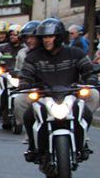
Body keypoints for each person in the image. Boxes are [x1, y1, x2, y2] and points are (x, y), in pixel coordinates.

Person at [18, 18, 99, 160]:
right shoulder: (33, 57)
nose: (46, 40)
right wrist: (24, 82)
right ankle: (32, 145)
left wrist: (91, 80)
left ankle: (82, 140)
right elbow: (26, 74)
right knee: (27, 113)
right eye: (43, 37)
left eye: (50, 36)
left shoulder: (75, 53)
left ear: (59, 36)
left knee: (92, 97)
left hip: (71, 94)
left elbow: (88, 70)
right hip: (44, 96)